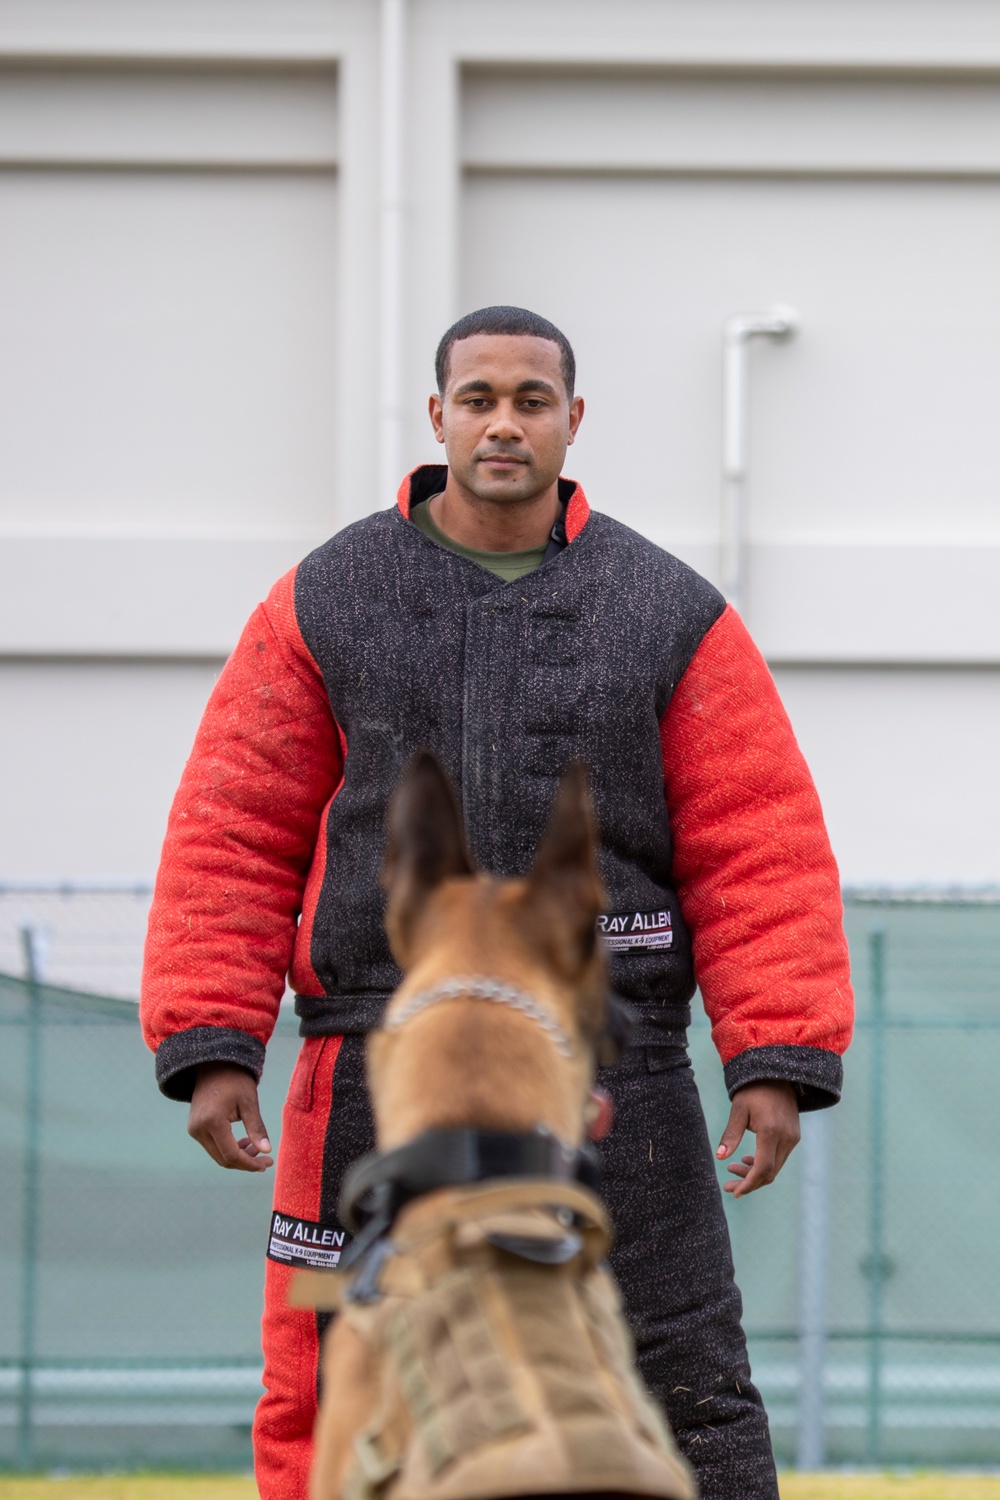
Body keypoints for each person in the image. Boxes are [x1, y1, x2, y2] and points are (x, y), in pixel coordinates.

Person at [141, 305, 853, 1500]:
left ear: (574, 421)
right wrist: (212, 1041)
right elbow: (235, 829)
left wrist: (774, 1055)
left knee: (684, 1383)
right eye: (479, 400)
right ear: (437, 418)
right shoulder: (324, 597)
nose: (504, 424)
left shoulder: (672, 611)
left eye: (532, 400)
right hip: (365, 1071)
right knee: (333, 1381)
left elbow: (758, 843)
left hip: (619, 1070)